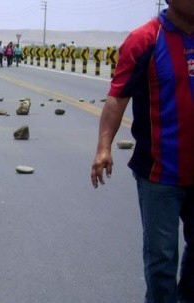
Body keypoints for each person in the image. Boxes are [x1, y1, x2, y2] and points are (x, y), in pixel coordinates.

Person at [90, 1, 194, 302]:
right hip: (160, 173)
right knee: (162, 261)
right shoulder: (146, 39)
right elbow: (117, 96)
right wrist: (103, 147)